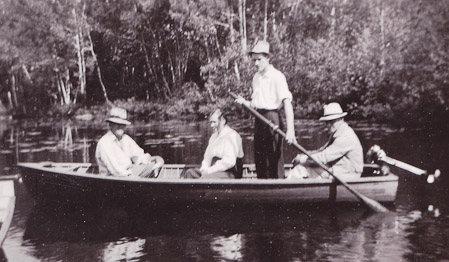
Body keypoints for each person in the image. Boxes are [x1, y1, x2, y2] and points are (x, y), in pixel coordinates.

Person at [235, 40, 296, 179]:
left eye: (259, 59)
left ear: (268, 58)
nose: (256, 63)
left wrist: (290, 130)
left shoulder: (277, 77)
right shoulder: (256, 77)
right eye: (254, 60)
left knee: (274, 157)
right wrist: (245, 102)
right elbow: (256, 103)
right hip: (259, 119)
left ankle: (279, 188)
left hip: (273, 119)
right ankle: (263, 188)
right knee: (260, 157)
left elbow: (287, 103)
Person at [287, 102, 363, 180]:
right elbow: (322, 151)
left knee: (300, 168)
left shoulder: (345, 137)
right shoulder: (337, 132)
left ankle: (284, 188)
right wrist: (305, 155)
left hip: (348, 175)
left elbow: (323, 157)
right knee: (303, 167)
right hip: (336, 171)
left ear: (341, 119)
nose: (328, 125)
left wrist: (302, 159)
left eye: (332, 121)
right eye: (327, 122)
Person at [95, 107, 164, 178]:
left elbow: (138, 157)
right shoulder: (105, 143)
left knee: (156, 163)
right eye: (117, 124)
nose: (121, 126)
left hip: (129, 172)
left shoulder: (125, 139)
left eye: (123, 124)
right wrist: (135, 178)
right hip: (113, 179)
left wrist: (154, 158)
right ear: (110, 125)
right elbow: (116, 171)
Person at [181, 109, 244, 179]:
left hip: (229, 173)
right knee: (190, 173)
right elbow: (207, 157)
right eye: (211, 122)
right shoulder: (213, 137)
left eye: (214, 122)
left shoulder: (231, 136)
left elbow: (229, 162)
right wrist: (204, 169)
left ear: (223, 121)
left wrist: (209, 171)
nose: (211, 125)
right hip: (214, 171)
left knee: (205, 178)